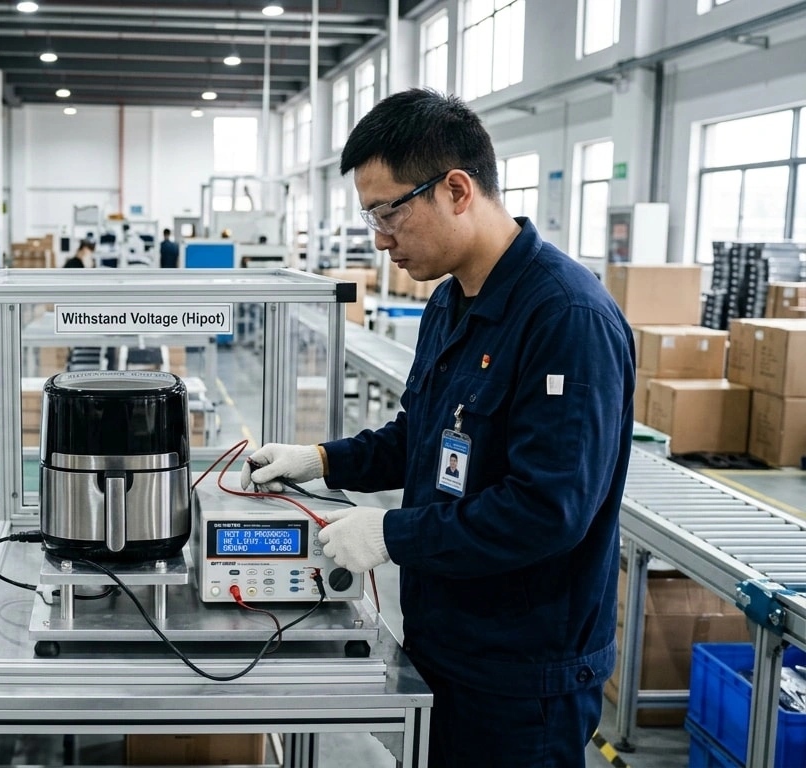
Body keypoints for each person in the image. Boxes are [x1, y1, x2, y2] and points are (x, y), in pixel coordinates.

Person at [239, 89, 634, 768]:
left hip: (521, 675)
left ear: (456, 189)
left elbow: (547, 511)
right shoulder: (451, 301)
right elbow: (421, 437)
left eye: (389, 211)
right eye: (371, 216)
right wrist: (320, 459)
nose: (380, 237)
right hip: (445, 643)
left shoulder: (565, 318)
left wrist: (390, 533)